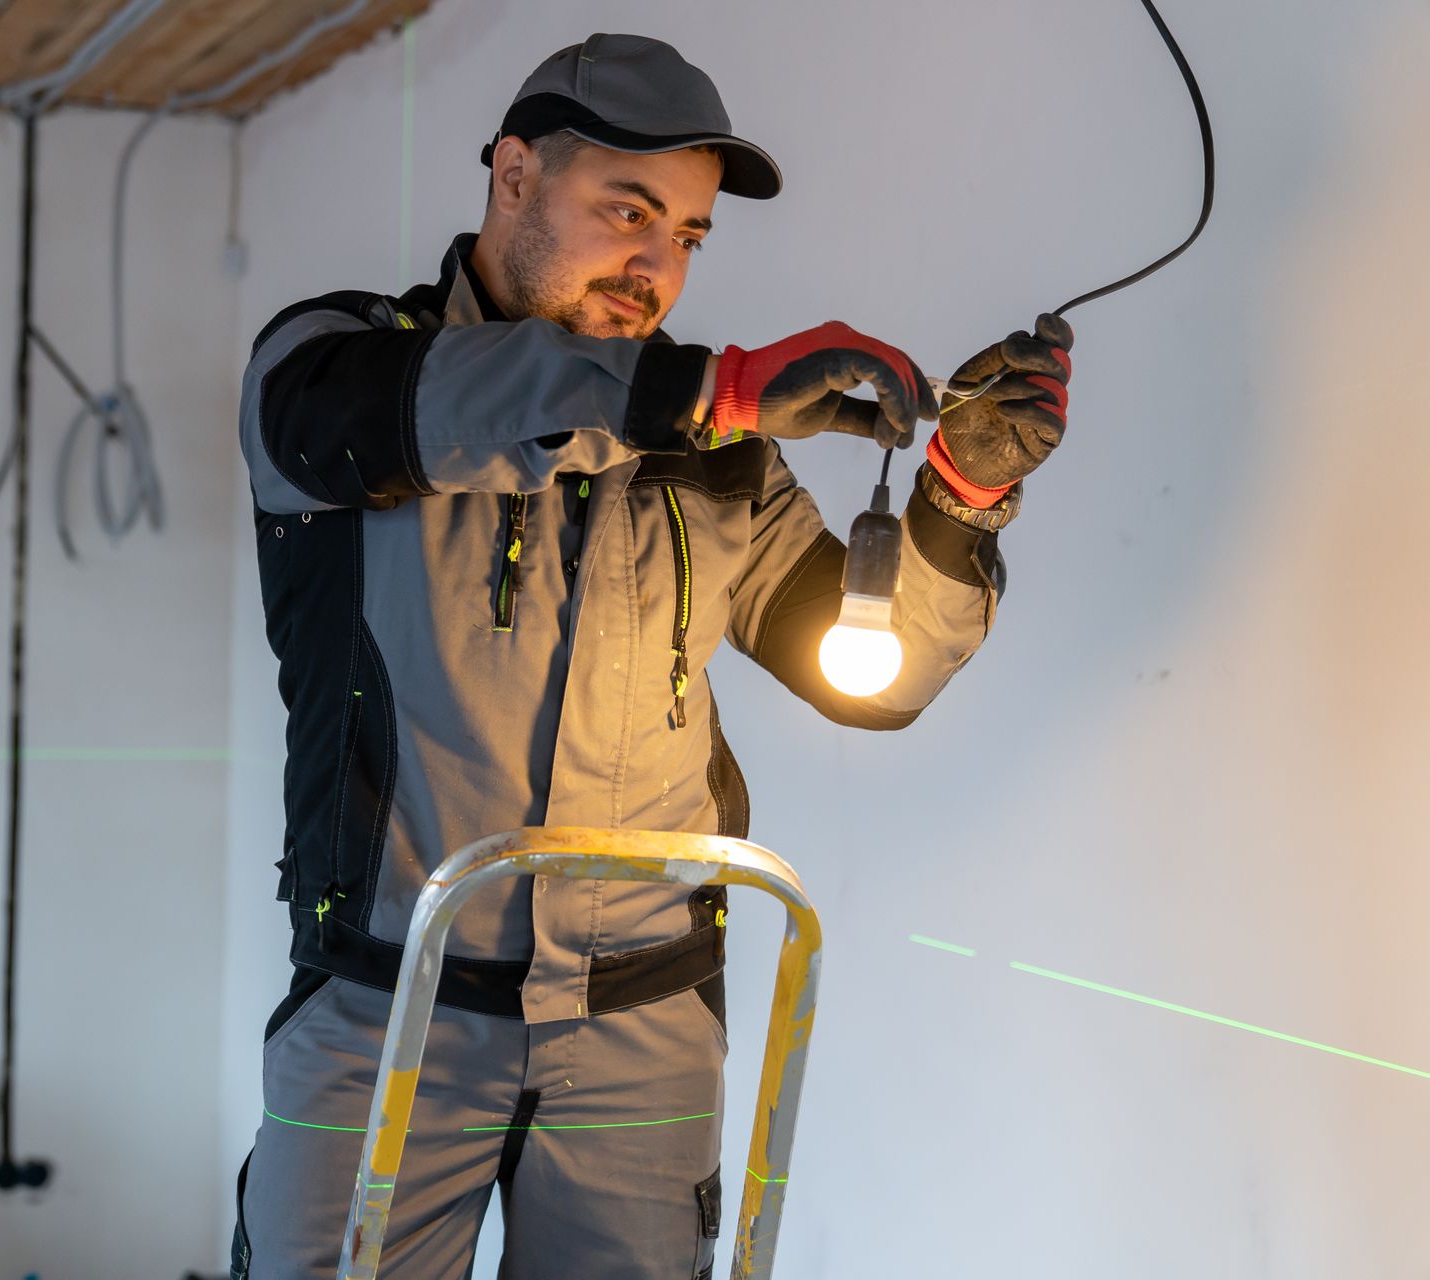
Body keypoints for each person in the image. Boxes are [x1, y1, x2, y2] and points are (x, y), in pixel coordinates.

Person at [230, 32, 1074, 1280]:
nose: (656, 265)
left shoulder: (714, 446)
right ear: (513, 174)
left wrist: (958, 499)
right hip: (385, 1008)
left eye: (686, 234)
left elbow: (877, 675)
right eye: (626, 211)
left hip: (644, 1027)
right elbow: (452, 402)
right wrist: (717, 387)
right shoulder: (334, 367)